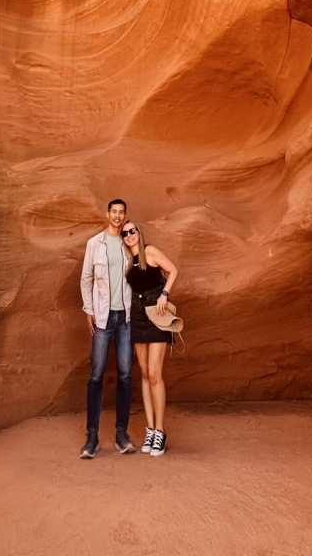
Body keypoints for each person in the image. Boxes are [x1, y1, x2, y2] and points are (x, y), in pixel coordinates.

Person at [78, 197, 135, 459]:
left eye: (121, 212)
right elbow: (86, 278)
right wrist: (88, 309)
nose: (117, 216)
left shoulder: (128, 243)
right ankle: (92, 437)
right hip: (102, 318)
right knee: (96, 375)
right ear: (107, 214)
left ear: (125, 215)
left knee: (125, 375)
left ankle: (121, 434)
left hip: (124, 318)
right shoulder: (95, 244)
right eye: (114, 212)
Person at [122, 220, 179, 457]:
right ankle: (150, 430)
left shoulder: (150, 251)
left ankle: (160, 430)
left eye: (132, 231)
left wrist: (165, 293)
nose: (129, 235)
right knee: (144, 374)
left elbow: (174, 270)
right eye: (125, 233)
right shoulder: (127, 261)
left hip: (156, 314)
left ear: (139, 233)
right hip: (137, 316)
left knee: (155, 374)